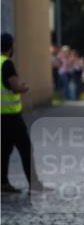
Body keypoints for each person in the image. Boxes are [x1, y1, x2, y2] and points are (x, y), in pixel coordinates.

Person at [1, 33, 47, 194]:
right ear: (10, 47)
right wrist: (24, 87)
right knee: (25, 149)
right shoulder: (6, 64)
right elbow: (14, 86)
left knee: (4, 150)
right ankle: (34, 184)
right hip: (11, 117)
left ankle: (3, 182)